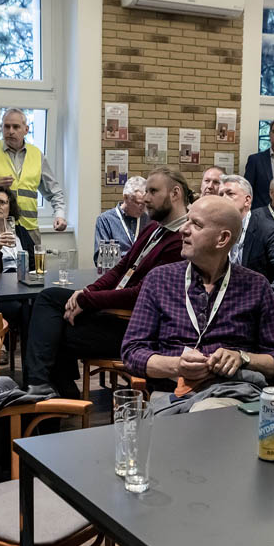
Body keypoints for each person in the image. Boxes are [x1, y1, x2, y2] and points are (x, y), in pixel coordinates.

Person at [118, 195, 274, 546]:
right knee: (216, 484)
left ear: (223, 238)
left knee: (209, 448)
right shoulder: (160, 281)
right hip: (172, 402)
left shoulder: (254, 287)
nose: (183, 230)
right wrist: (175, 364)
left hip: (230, 402)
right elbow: (132, 353)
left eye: (194, 224)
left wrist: (243, 357)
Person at [21, 167, 192, 399]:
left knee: (49, 328)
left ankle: (43, 388)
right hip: (113, 313)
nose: (145, 198)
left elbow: (139, 294)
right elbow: (121, 268)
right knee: (48, 302)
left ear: (175, 193)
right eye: (145, 191)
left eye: (153, 191)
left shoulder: (181, 241)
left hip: (134, 326)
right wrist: (87, 291)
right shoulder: (153, 227)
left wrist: (87, 300)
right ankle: (50, 388)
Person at [0, 108, 66, 244]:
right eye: (6, 126)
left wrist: (59, 215)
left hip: (30, 230)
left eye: (16, 127)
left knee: (34, 259)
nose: (10, 131)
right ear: (1, 128)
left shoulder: (37, 155)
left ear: (26, 129)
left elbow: (55, 191)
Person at [211, 175, 274, 307]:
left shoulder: (267, 230)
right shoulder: (215, 230)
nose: (223, 199)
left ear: (247, 200)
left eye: (230, 193)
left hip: (254, 303)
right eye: (220, 194)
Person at [92, 175, 148, 262]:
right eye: (139, 203)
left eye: (146, 204)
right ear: (125, 197)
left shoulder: (149, 220)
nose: (143, 208)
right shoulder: (105, 220)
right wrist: (132, 257)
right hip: (117, 269)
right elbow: (100, 258)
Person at [0, 186, 35, 272]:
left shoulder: (21, 231)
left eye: (2, 202)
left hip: (24, 279)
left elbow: (33, 264)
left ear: (10, 207)